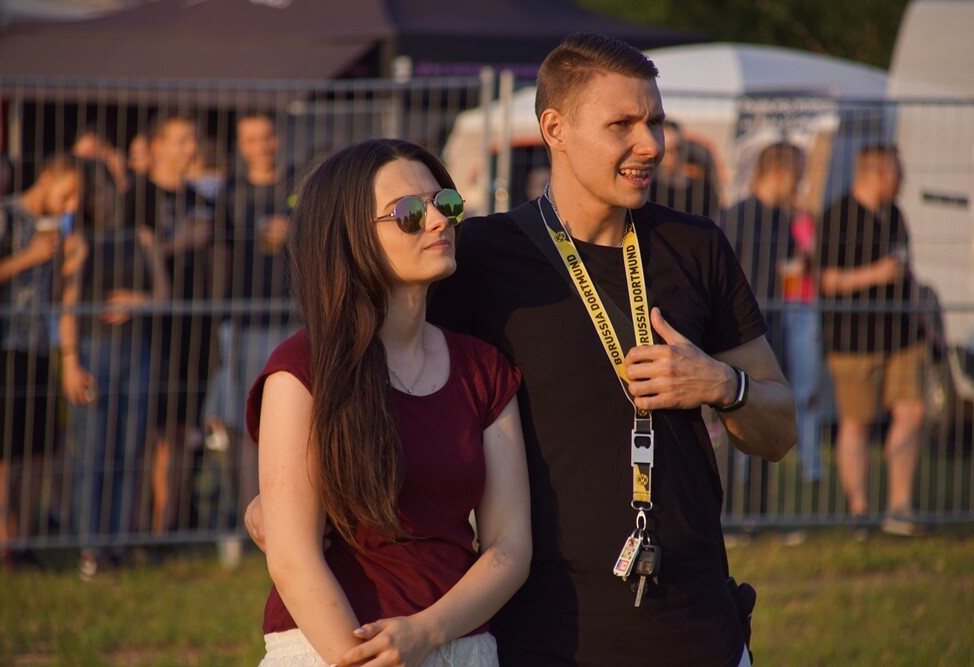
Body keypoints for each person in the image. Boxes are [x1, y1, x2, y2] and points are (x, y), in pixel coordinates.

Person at [247, 33, 795, 665]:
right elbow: (374, 373)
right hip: (539, 634)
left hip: (697, 628)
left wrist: (724, 385)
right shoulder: (477, 256)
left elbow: (779, 431)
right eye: (622, 124)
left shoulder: (696, 247)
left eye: (655, 122)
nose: (650, 144)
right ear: (555, 128)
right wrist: (282, 501)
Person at [247, 139, 531, 665]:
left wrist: (426, 632)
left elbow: (510, 548)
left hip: (458, 645)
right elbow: (292, 557)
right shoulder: (302, 367)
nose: (439, 221)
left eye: (445, 203)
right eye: (408, 214)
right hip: (329, 645)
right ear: (349, 236)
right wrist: (360, 658)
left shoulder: (483, 368)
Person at [61, 158, 170, 578]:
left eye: (102, 189)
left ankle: (119, 543)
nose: (98, 199)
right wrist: (70, 362)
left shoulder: (142, 237)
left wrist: (139, 301)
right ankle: (90, 546)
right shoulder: (80, 242)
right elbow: (68, 305)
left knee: (129, 449)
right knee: (93, 451)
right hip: (92, 354)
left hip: (136, 353)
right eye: (90, 194)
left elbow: (164, 295)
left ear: (115, 188)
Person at [818, 143, 928, 538]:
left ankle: (899, 507)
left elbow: (907, 269)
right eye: (898, 173)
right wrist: (875, 274)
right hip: (854, 341)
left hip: (902, 336)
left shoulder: (895, 214)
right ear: (878, 173)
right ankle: (860, 511)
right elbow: (824, 280)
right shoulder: (837, 216)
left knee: (912, 412)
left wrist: (923, 318)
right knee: (857, 422)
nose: (903, 181)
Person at [124, 113, 220, 536]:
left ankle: (167, 529)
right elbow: (129, 258)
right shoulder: (136, 197)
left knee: (182, 429)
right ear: (157, 146)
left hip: (195, 330)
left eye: (193, 140)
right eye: (181, 140)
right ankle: (139, 525)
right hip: (150, 329)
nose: (190, 149)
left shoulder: (202, 199)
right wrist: (179, 242)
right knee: (149, 431)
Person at [201, 113, 294, 542]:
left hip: (294, 318)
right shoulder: (230, 193)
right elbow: (218, 254)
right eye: (251, 139)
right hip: (242, 322)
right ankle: (253, 520)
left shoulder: (300, 184)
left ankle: (293, 517)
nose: (260, 146)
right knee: (243, 425)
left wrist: (294, 232)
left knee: (294, 424)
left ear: (279, 138)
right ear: (240, 145)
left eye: (266, 136)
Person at [0, 155, 83, 571]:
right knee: (3, 451)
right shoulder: (4, 215)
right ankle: (6, 543)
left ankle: (24, 541)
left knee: (38, 449)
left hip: (43, 347)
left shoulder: (63, 228)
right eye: (67, 194)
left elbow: (61, 290)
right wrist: (29, 257)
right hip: (5, 346)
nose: (71, 205)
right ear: (47, 178)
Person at [721, 141, 823, 507]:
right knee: (734, 413)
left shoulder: (783, 218)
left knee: (765, 413)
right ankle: (731, 509)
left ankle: (759, 510)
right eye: (797, 176)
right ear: (778, 173)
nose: (799, 185)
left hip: (773, 325)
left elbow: (787, 265)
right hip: (737, 331)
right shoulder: (738, 216)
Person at [652, 118, 720, 218]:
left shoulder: (703, 190)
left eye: (678, 148)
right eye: (668, 151)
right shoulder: (648, 189)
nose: (674, 156)